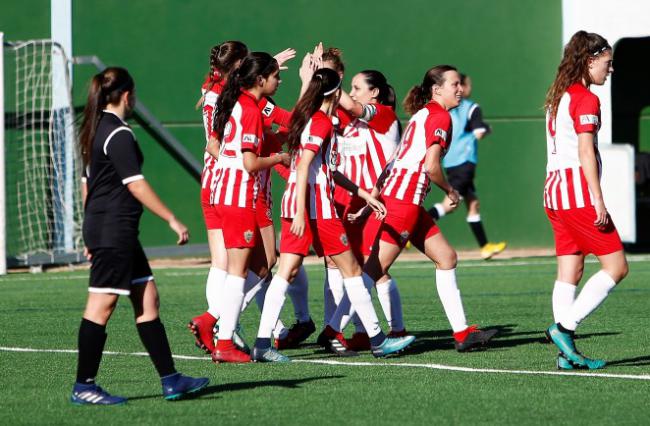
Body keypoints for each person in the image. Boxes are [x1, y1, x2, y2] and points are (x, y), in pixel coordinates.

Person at [251, 68, 415, 361]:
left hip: (299, 205)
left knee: (286, 272)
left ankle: (263, 344)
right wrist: (302, 212)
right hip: (315, 208)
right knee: (353, 270)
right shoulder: (321, 122)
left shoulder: (313, 119)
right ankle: (378, 340)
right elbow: (303, 168)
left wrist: (361, 193)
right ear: (336, 93)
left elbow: (323, 169)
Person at [72, 67, 208, 405]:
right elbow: (135, 183)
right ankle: (84, 385)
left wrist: (90, 232)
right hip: (113, 229)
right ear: (127, 96)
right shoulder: (117, 133)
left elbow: (87, 186)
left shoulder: (93, 129)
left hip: (110, 230)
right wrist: (172, 219)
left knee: (147, 298)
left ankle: (171, 379)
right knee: (101, 306)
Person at [361, 65, 497, 352]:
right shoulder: (439, 116)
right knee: (371, 271)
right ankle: (340, 330)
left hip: (403, 199)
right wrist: (449, 190)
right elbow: (431, 165)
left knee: (446, 258)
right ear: (437, 89)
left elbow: (399, 159)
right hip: (403, 201)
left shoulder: (424, 113)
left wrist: (377, 191)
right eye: (454, 85)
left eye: (460, 84)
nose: (460, 89)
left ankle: (462, 333)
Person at [543, 31, 628, 370]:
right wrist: (599, 200)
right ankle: (564, 328)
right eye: (607, 63)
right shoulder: (584, 98)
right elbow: (584, 151)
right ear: (590, 60)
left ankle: (567, 354)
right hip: (575, 192)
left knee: (570, 269)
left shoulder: (558, 96)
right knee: (617, 267)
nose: (610, 70)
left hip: (553, 191)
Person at [209, 52, 291, 363]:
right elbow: (250, 162)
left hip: (228, 193)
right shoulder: (249, 109)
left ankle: (222, 334)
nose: (278, 80)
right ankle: (224, 339)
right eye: (274, 76)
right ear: (260, 80)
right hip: (239, 195)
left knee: (248, 268)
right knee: (237, 273)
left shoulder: (238, 102)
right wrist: (280, 158)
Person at [319, 69, 404, 352]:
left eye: (357, 87)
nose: (352, 93)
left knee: (370, 269)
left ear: (374, 93)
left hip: (380, 202)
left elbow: (351, 105)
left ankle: (336, 328)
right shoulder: (351, 121)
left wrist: (329, 78)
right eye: (350, 87)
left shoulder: (384, 114)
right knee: (359, 269)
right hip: (356, 203)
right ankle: (359, 331)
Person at [427, 74, 506, 260]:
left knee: (472, 203)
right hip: (464, 162)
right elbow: (478, 133)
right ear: (461, 87)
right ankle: (411, 228)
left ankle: (485, 246)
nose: (467, 88)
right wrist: (487, 128)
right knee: (450, 204)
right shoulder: (472, 108)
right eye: (465, 84)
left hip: (451, 162)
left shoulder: (448, 109)